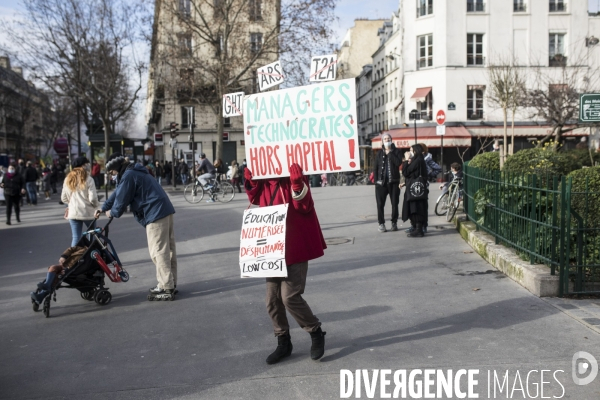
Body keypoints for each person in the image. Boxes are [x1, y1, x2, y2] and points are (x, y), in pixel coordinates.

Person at [244, 163, 327, 364]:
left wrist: (297, 183)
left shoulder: (293, 173)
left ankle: (315, 331)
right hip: (271, 249)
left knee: (289, 297)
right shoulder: (265, 177)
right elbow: (255, 198)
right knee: (272, 300)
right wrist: (251, 181)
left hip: (294, 246)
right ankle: (283, 341)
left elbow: (304, 206)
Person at [96, 153, 178, 300]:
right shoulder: (133, 172)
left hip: (155, 213)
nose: (111, 175)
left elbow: (120, 203)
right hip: (164, 210)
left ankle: (166, 286)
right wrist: (103, 207)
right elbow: (117, 193)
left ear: (116, 168)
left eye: (111, 172)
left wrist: (110, 212)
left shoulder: (128, 176)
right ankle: (171, 283)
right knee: (168, 250)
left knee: (158, 252)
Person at [62, 157, 99, 247]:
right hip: (87, 212)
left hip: (73, 212)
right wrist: (96, 207)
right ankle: (91, 257)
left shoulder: (68, 179)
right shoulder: (89, 179)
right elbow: (93, 198)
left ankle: (74, 259)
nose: (88, 166)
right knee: (93, 235)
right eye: (87, 164)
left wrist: (70, 204)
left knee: (76, 237)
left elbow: (63, 198)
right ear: (83, 165)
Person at [373, 133, 402, 232]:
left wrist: (390, 152)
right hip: (381, 183)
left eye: (388, 138)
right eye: (385, 139)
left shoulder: (397, 151)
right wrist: (376, 181)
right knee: (380, 204)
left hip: (393, 182)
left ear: (391, 140)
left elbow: (398, 163)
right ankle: (381, 223)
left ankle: (394, 222)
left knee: (395, 203)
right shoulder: (379, 153)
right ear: (382, 141)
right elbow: (375, 167)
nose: (386, 140)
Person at [401, 144, 429, 238]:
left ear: (416, 151)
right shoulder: (418, 160)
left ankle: (418, 229)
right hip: (417, 188)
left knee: (416, 208)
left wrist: (405, 160)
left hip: (415, 190)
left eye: (411, 150)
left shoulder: (418, 161)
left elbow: (406, 172)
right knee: (416, 208)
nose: (409, 152)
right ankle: (417, 228)